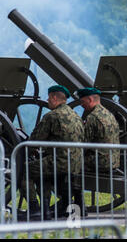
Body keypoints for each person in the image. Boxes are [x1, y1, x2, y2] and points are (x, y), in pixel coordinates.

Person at [20, 85, 84, 220]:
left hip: (59, 162)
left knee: (24, 170)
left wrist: (21, 154)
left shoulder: (52, 116)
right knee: (44, 171)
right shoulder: (76, 116)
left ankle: (34, 209)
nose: (48, 101)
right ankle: (46, 211)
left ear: (55, 98)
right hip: (76, 165)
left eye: (49, 98)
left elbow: (35, 141)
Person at [76, 87, 120, 172]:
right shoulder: (109, 115)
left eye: (82, 102)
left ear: (90, 99)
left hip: (99, 162)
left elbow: (84, 144)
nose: (81, 105)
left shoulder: (92, 117)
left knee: (68, 163)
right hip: (114, 161)